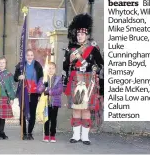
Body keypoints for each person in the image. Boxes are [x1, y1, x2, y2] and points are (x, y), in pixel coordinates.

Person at [63, 14, 104, 145]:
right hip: (76, 79)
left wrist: (94, 69)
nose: (80, 36)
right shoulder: (71, 49)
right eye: (78, 34)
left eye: (82, 34)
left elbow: (101, 64)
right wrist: (70, 59)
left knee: (86, 109)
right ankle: (75, 135)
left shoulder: (93, 49)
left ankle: (85, 136)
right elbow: (65, 67)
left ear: (87, 35)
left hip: (89, 80)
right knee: (77, 108)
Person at [13, 49, 43, 140]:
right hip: (23, 92)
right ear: (25, 56)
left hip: (34, 93)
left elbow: (41, 78)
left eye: (31, 55)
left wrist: (39, 92)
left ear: (33, 56)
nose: (29, 57)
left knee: (32, 113)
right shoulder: (21, 65)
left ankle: (29, 132)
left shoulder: (37, 65)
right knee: (23, 112)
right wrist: (19, 77)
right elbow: (15, 78)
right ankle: (24, 132)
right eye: (28, 55)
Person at [37, 62, 63, 143]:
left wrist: (49, 92)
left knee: (53, 119)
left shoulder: (58, 79)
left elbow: (60, 90)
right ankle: (46, 134)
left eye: (52, 68)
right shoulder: (42, 79)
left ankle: (52, 135)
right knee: (46, 119)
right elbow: (38, 90)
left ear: (55, 69)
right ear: (46, 69)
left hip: (55, 102)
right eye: (49, 68)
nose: (51, 70)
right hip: (45, 103)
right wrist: (43, 86)